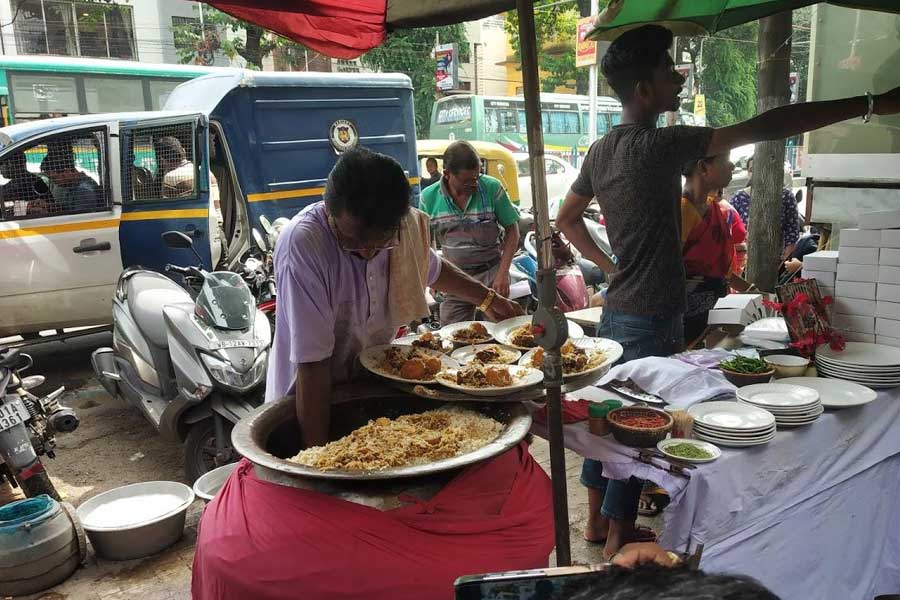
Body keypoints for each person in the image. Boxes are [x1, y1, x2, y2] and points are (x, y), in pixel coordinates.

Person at [556, 24, 900, 560]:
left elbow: (566, 218)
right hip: (651, 313)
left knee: (612, 414)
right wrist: (870, 104)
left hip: (621, 308)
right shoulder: (659, 143)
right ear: (644, 89)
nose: (679, 75)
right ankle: (620, 538)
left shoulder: (603, 149)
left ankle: (601, 525)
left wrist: (610, 262)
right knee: (642, 427)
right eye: (670, 69)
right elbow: (769, 124)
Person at [266, 147, 523, 446]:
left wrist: (490, 300)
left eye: (380, 244)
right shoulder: (304, 244)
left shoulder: (403, 228)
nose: (367, 252)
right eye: (352, 241)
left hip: (365, 389)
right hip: (304, 403)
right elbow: (313, 366)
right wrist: (315, 458)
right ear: (330, 210)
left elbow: (432, 268)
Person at [419, 141, 520, 324]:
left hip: (492, 275)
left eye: (476, 178)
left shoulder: (491, 188)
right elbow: (426, 243)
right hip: (454, 279)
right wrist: (434, 278)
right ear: (447, 174)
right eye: (466, 181)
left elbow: (513, 231)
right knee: (454, 337)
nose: (474, 184)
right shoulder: (428, 198)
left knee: (505, 333)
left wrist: (503, 274)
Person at [681, 156, 752, 345]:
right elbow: (669, 271)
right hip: (683, 320)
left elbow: (721, 271)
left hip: (712, 314)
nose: (732, 165)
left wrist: (753, 292)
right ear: (703, 167)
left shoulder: (715, 209)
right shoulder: (681, 210)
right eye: (725, 159)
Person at [729, 156, 802, 260]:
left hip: (775, 260)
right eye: (751, 170)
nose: (755, 173)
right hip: (744, 259)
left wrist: (784, 260)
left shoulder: (786, 196)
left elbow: (792, 233)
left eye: (759, 168)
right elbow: (729, 232)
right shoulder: (738, 198)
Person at [40, 144, 103, 214]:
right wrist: (50, 207)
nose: (54, 182)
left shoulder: (83, 192)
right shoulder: (73, 186)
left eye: (54, 178)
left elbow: (77, 220)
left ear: (66, 171)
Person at [0, 151, 51, 218]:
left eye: (1, 165)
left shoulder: (32, 183)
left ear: (10, 164)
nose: (1, 169)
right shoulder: (19, 181)